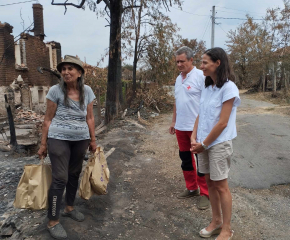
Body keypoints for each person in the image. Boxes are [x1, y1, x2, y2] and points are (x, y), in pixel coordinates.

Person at [37, 55, 97, 239]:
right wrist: (43, 143)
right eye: (63, 69)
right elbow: (47, 119)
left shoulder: (87, 91)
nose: (66, 72)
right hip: (58, 137)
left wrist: (93, 140)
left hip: (81, 139)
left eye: (71, 68)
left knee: (74, 173)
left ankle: (69, 207)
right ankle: (53, 221)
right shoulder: (55, 91)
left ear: (79, 73)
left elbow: (89, 118)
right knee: (60, 178)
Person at [190, 47, 240, 240]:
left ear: (217, 63)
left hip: (218, 143)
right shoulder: (207, 86)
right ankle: (216, 220)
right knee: (209, 182)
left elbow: (223, 122)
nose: (201, 66)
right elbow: (201, 114)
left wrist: (204, 143)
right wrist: (194, 137)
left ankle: (227, 229)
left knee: (221, 186)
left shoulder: (229, 88)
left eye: (204, 62)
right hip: (203, 143)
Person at [169, 46, 209, 210]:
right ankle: (192, 188)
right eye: (177, 61)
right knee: (185, 159)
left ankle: (205, 193)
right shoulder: (179, 79)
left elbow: (207, 103)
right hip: (180, 127)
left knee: (201, 161)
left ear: (191, 60)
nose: (179, 64)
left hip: (197, 128)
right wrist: (173, 121)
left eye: (182, 61)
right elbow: (177, 102)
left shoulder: (200, 76)